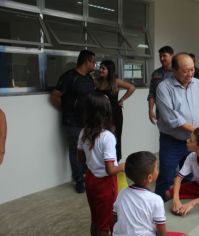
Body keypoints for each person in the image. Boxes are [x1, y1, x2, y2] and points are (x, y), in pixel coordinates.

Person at [155, 52, 199, 199]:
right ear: (174, 70)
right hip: (172, 142)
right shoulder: (164, 88)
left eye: (192, 69)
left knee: (189, 176)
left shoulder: (198, 85)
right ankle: (159, 210)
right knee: (167, 176)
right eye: (185, 70)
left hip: (195, 142)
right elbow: (173, 119)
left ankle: (181, 204)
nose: (190, 74)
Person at [77, 92, 125, 236]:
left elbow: (80, 159)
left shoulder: (83, 132)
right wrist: (124, 166)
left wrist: (93, 160)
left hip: (90, 179)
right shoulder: (107, 137)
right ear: (105, 111)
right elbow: (110, 170)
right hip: (105, 183)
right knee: (105, 224)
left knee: (95, 220)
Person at [50, 49, 96, 193]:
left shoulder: (89, 78)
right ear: (87, 61)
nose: (95, 65)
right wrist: (66, 110)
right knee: (75, 151)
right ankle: (79, 180)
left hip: (88, 121)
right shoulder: (69, 77)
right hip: (72, 123)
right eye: (93, 62)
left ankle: (86, 175)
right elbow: (55, 96)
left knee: (88, 149)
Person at [112, 151, 166, 236]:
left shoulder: (122, 193)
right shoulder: (156, 200)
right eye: (156, 168)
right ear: (150, 177)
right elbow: (161, 230)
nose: (157, 170)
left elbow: (114, 218)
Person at [95, 60, 136, 161]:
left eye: (103, 68)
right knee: (101, 138)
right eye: (100, 67)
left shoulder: (116, 81)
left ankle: (115, 160)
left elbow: (132, 87)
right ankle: (103, 160)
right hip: (100, 114)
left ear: (110, 70)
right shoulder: (97, 81)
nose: (100, 70)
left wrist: (122, 100)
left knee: (115, 138)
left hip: (114, 114)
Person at [147, 45, 174, 124]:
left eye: (164, 56)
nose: (162, 59)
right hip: (160, 112)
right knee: (163, 133)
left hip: (175, 111)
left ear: (171, 56)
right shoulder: (156, 73)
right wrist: (150, 110)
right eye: (160, 56)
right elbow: (152, 93)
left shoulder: (177, 72)